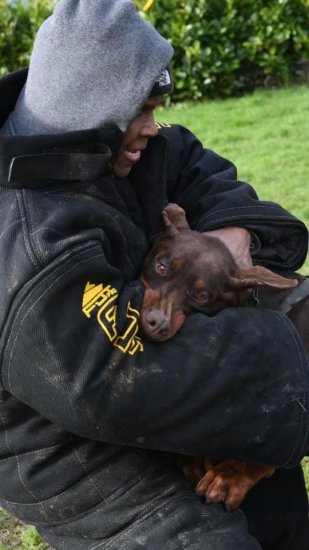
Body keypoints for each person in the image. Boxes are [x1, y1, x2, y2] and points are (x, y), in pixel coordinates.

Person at [0, 1, 308, 549]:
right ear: (94, 105)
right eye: (141, 110)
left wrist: (231, 238)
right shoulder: (30, 239)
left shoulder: (126, 149)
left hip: (143, 401)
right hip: (78, 460)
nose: (152, 127)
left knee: (273, 494)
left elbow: (213, 184)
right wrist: (298, 348)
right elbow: (113, 376)